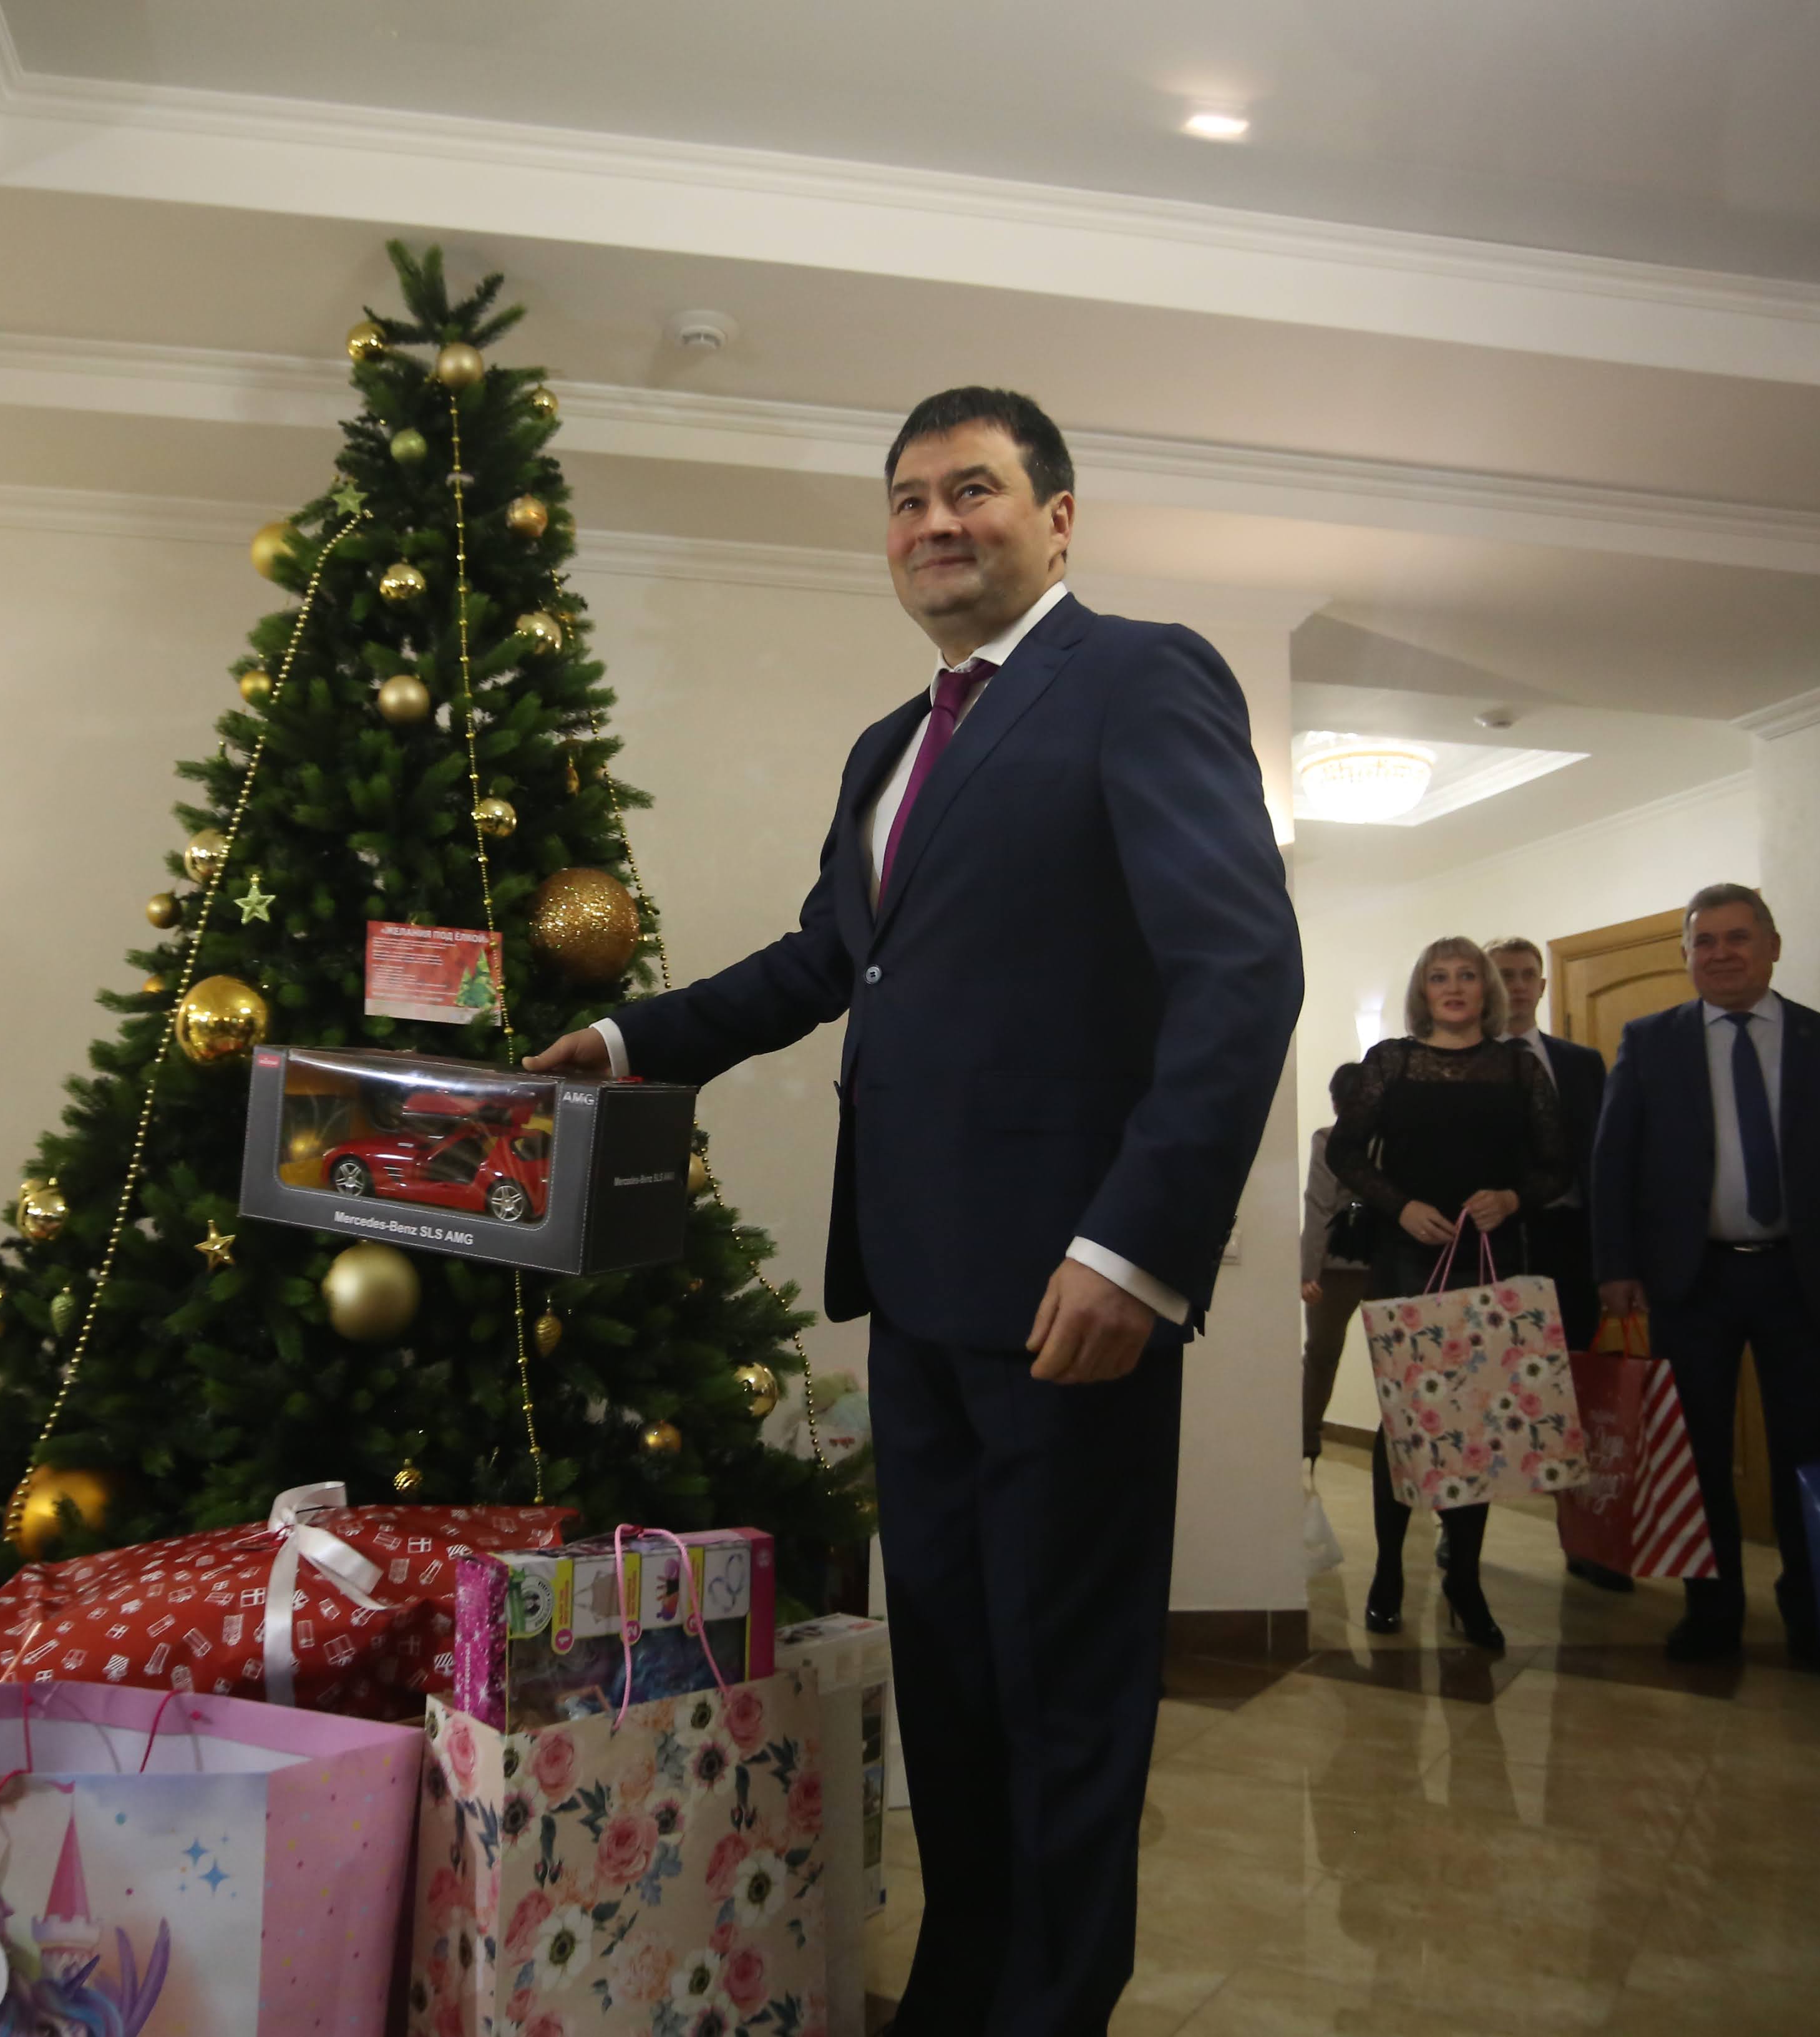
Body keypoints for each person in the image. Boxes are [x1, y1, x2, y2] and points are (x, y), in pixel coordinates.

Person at [525, 387, 1300, 2036]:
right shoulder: (890, 746)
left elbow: (1241, 974)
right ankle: (961, 1989)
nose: (936, 522)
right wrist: (631, 1040)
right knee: (949, 1667)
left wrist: (1134, 1250)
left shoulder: (1141, 677)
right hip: (913, 1281)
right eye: (907, 499)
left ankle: (1051, 2007)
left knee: (1064, 1683)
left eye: (974, 489)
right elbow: (828, 959)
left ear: (1058, 519)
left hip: (1071, 1293)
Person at [1593, 882, 1820, 1685]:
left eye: (1737, 937)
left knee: (1813, 1452)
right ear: (1685, 956)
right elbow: (1612, 1164)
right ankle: (1711, 1612)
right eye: (1704, 941)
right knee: (1695, 1453)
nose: (1721, 953)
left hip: (1803, 1277)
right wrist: (1615, 1267)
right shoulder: (1648, 1042)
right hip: (1691, 1280)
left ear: (1771, 946)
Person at [1326, 936, 1564, 1651]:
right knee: (1402, 1419)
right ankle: (1388, 1575)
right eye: (1438, 976)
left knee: (1475, 1424)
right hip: (1404, 1257)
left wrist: (1512, 1197)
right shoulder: (1390, 1063)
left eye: (1466, 975)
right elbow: (1343, 1151)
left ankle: (1464, 1580)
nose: (1453, 986)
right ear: (1422, 991)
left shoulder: (1518, 1068)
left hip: (1488, 1259)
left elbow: (1556, 1166)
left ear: (1485, 989)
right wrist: (1398, 1206)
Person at [1486, 934, 1632, 1595]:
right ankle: (1461, 1535)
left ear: (1542, 986)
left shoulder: (1581, 1063)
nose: (1516, 986)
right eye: (1504, 975)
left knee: (1576, 1398)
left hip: (1569, 1246)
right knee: (1486, 1391)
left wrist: (1612, 1260)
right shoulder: (1466, 1063)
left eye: (1526, 975)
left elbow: (1606, 1162)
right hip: (1494, 1244)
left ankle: (1586, 1542)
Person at [1298, 1061, 1375, 1461]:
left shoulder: (1329, 1140)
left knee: (1321, 1357)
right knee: (1397, 1353)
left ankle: (1306, 1441)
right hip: (1384, 1262)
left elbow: (1320, 1205)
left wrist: (1308, 1272)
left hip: (1333, 1269)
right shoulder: (1389, 1142)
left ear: (1335, 1102)